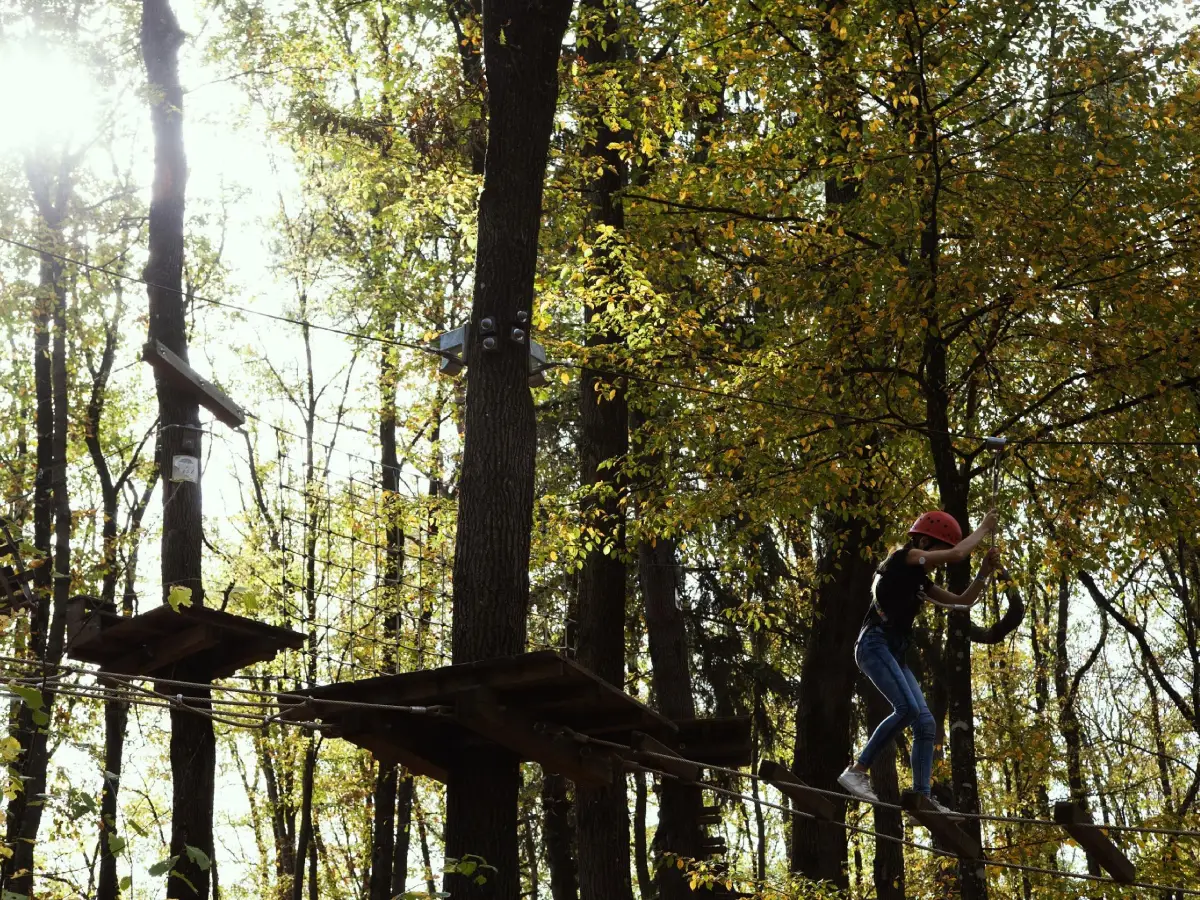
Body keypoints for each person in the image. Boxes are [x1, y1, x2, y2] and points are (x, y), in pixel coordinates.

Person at [837, 509, 1001, 818]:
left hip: (893, 652)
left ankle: (921, 799)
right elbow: (957, 554)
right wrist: (983, 528)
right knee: (908, 709)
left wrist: (983, 572)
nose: (940, 560)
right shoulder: (903, 558)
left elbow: (962, 600)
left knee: (925, 723)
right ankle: (857, 770)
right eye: (939, 550)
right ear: (924, 543)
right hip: (874, 643)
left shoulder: (919, 581)